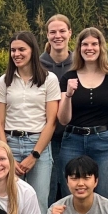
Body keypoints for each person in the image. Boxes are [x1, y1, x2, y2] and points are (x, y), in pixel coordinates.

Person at [58, 27, 108, 200]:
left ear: (101, 47)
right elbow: (63, 119)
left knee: (105, 199)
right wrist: (68, 95)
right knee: (73, 199)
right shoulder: (68, 77)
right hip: (72, 141)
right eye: (85, 44)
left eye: (94, 44)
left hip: (105, 142)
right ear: (79, 48)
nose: (89, 48)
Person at [0, 30, 62, 206]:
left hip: (38, 145)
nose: (16, 54)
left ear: (32, 50)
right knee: (10, 205)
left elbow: (51, 122)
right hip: (10, 145)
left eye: (21, 49)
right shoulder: (4, 81)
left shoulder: (49, 79)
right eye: (13, 50)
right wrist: (7, 155)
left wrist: (34, 155)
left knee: (38, 204)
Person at [41, 14, 76, 203]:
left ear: (70, 33)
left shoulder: (80, 63)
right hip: (47, 139)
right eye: (53, 32)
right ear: (47, 35)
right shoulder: (38, 65)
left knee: (73, 192)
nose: (58, 36)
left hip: (74, 137)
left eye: (62, 31)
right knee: (49, 193)